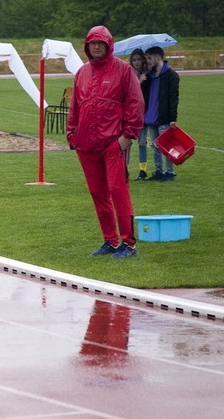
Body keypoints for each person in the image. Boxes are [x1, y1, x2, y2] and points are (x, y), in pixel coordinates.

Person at [67, 25, 144, 259]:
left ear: (108, 44)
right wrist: (72, 134)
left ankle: (128, 244)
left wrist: (127, 135)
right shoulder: (82, 72)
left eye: (100, 43)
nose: (97, 46)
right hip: (86, 145)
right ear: (87, 46)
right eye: (93, 43)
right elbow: (75, 106)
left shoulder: (123, 70)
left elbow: (135, 103)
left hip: (113, 143)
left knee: (117, 190)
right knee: (98, 192)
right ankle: (110, 240)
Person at [143, 46, 180, 181]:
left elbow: (173, 98)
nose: (147, 61)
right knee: (155, 146)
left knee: (166, 146)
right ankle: (158, 171)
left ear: (158, 57)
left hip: (164, 117)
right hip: (151, 116)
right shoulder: (149, 76)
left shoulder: (171, 75)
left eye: (149, 58)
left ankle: (169, 172)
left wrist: (173, 118)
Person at [127, 49, 150, 180]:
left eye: (138, 60)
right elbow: (130, 94)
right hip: (131, 114)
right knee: (127, 143)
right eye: (134, 60)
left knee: (142, 142)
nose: (136, 62)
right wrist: (139, 82)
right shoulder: (129, 74)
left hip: (143, 113)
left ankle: (143, 170)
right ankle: (125, 169)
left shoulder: (147, 74)